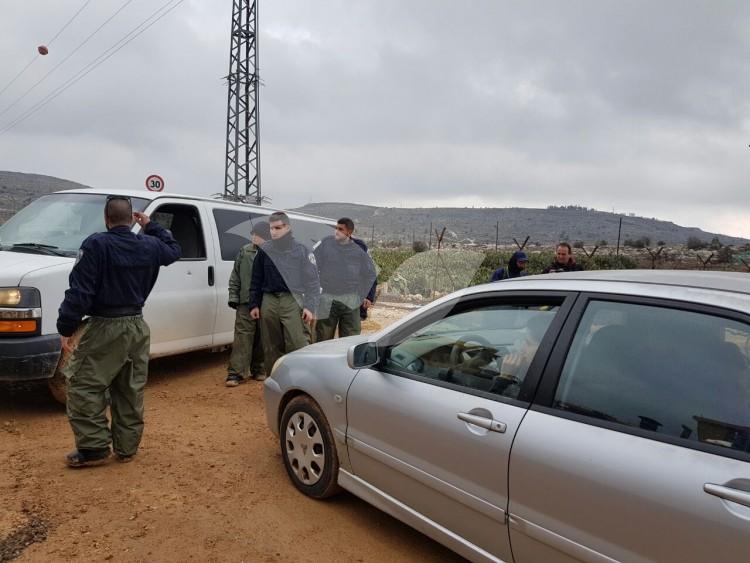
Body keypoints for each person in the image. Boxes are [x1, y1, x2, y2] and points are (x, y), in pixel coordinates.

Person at [57, 196, 181, 468]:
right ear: (131, 218)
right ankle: (126, 448)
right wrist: (152, 226)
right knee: (129, 388)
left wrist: (66, 327)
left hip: (105, 326)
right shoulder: (149, 244)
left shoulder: (96, 245)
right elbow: (174, 250)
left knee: (83, 385)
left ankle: (93, 448)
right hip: (137, 326)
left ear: (106, 218)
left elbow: (80, 291)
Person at [249, 212, 320, 374]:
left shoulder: (302, 251)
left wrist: (310, 306)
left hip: (292, 299)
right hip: (269, 300)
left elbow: (313, 282)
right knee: (271, 345)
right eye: (271, 228)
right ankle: (275, 382)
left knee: (298, 343)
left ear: (287, 228)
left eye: (278, 228)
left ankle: (302, 381)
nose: (273, 232)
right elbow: (256, 279)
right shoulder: (265, 250)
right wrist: (254, 303)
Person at [314, 218, 377, 341]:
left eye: (340, 229)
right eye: (336, 228)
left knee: (350, 339)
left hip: (351, 299)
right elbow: (312, 266)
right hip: (328, 297)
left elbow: (370, 273)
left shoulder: (360, 247)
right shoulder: (326, 244)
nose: (336, 231)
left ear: (349, 232)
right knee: (322, 338)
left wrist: (369, 296)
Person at [225, 221, 270, 387]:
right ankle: (236, 373)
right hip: (245, 302)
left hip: (266, 302)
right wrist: (233, 297)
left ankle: (259, 369)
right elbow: (235, 276)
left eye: (257, 235)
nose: (254, 237)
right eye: (253, 234)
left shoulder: (274, 254)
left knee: (263, 338)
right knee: (242, 338)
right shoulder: (245, 251)